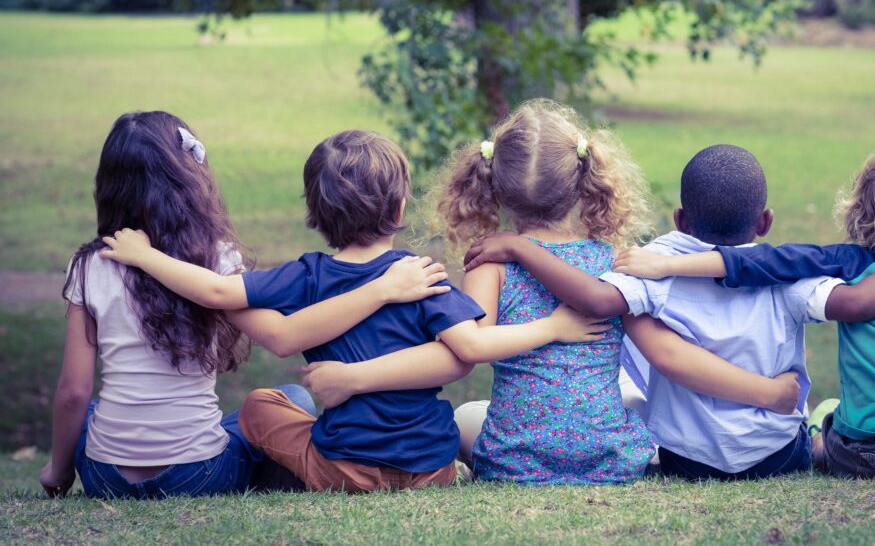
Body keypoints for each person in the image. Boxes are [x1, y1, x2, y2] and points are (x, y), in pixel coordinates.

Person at [101, 128, 603, 493]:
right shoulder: (420, 273)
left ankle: (289, 471)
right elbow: (463, 356)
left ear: (314, 215)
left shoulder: (308, 275)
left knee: (260, 405)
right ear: (401, 208)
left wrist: (147, 256)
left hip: (344, 469)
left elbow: (216, 293)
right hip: (432, 467)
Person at [464, 143, 875, 481]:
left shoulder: (652, 265)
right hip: (777, 456)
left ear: (681, 218)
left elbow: (605, 307)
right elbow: (859, 302)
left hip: (687, 460)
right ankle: (822, 434)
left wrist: (519, 248)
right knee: (820, 420)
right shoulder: (788, 273)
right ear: (765, 221)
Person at [39, 112, 444, 498]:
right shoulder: (215, 262)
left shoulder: (89, 266)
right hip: (197, 473)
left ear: (109, 185)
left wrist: (58, 472)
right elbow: (279, 334)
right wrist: (383, 289)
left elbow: (74, 392)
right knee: (294, 400)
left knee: (91, 413)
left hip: (106, 477)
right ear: (190, 178)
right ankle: (281, 473)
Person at [611, 142, 875, 478]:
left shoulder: (845, 265)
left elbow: (757, 265)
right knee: (825, 418)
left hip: (841, 455)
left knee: (829, 420)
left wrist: (666, 266)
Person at [424, 99, 667, 484]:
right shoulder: (611, 259)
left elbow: (475, 343)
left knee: (463, 416)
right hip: (609, 458)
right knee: (629, 393)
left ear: (496, 188)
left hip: (514, 461)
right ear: (582, 180)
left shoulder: (491, 262)